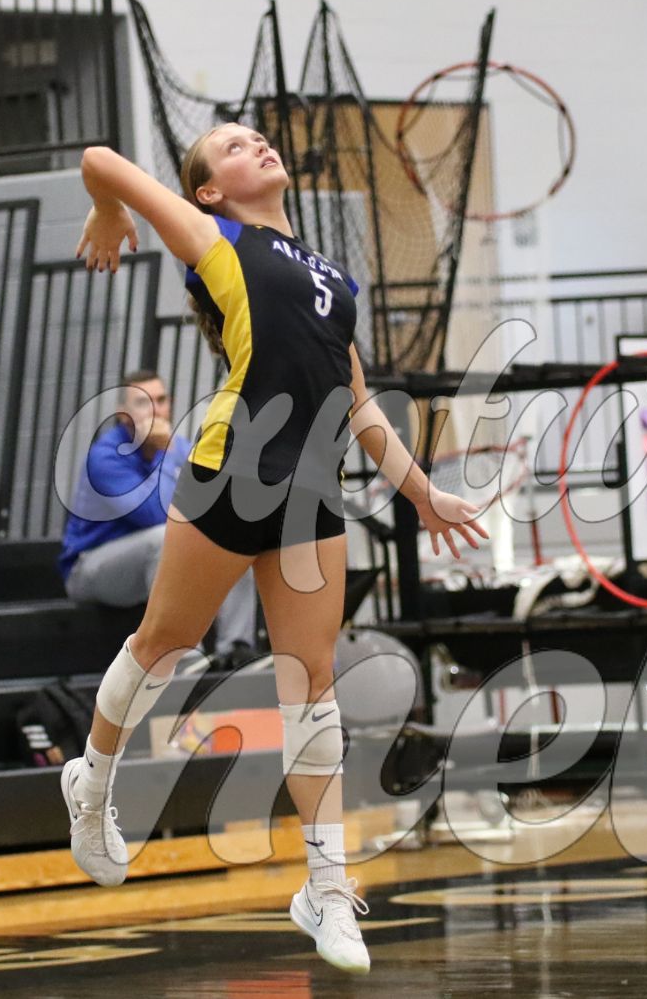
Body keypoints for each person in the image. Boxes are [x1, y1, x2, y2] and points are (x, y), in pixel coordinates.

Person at [60, 124, 488, 975]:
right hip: (234, 465)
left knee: (312, 684)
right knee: (164, 643)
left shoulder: (333, 278)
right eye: (232, 145)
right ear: (209, 189)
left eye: (257, 136)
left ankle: (326, 888)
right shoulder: (214, 235)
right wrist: (107, 210)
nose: (255, 142)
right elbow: (98, 159)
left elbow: (360, 404)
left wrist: (421, 491)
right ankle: (92, 783)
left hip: (314, 482)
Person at [59, 369, 260, 666]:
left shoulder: (180, 448)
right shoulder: (105, 458)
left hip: (155, 559)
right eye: (143, 402)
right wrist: (165, 455)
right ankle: (183, 659)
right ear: (123, 414)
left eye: (161, 400)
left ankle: (236, 651)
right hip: (90, 568)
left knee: (231, 534)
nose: (155, 409)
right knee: (165, 538)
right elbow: (157, 514)